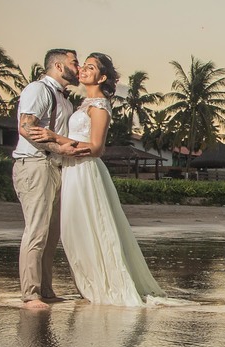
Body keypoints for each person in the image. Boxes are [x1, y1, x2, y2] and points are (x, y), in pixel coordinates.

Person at [28, 53, 164, 307]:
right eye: (84, 66)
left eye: (90, 67)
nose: (83, 70)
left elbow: (97, 148)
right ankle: (89, 284)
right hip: (72, 169)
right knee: (74, 231)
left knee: (88, 228)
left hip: (85, 170)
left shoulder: (100, 105)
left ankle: (102, 285)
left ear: (102, 78)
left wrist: (54, 137)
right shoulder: (84, 103)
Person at [13, 48, 86, 310]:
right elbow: (25, 126)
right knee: (37, 231)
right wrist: (58, 149)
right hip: (35, 164)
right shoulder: (39, 89)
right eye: (74, 63)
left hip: (54, 167)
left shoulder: (63, 98)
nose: (78, 68)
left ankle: (45, 289)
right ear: (58, 66)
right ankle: (30, 294)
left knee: (51, 233)